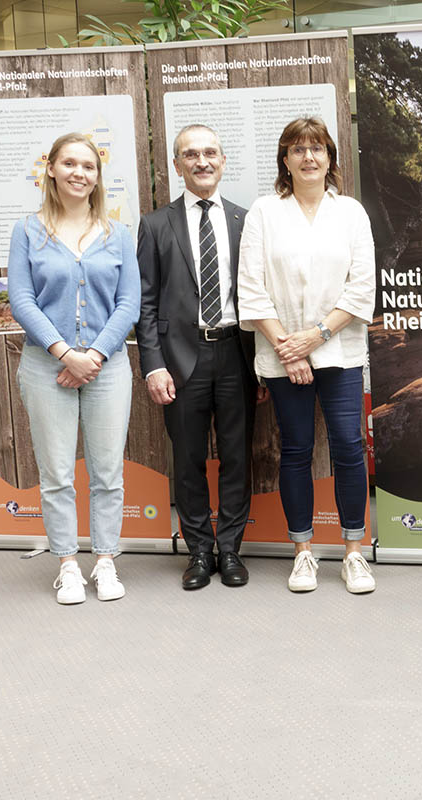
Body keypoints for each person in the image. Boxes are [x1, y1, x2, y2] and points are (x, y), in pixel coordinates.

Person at [237, 117, 376, 593]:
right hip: (282, 356)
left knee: (348, 446)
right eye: (298, 149)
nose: (309, 157)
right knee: (294, 450)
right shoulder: (263, 213)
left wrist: (313, 338)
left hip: (339, 350)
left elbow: (361, 290)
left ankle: (354, 552)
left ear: (331, 158)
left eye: (318, 148)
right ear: (285, 159)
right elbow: (251, 291)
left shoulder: (351, 213)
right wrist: (288, 349)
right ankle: (303, 552)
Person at [8, 132, 140, 605]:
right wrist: (66, 354)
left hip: (109, 366)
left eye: (89, 165)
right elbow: (21, 300)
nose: (79, 173)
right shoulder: (28, 230)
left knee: (107, 473)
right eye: (70, 164)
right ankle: (67, 564)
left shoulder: (117, 233)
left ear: (98, 175)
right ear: (51, 169)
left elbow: (129, 303)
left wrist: (95, 356)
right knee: (57, 473)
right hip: (46, 368)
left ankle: (105, 562)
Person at [136, 124, 260, 590]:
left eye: (210, 152)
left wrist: (262, 367)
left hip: (236, 354)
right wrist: (153, 364)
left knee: (236, 457)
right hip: (179, 361)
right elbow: (145, 304)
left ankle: (230, 550)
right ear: (177, 164)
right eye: (191, 154)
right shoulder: (154, 225)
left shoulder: (245, 221)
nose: (202, 161)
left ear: (222, 160)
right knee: (187, 461)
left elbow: (258, 294)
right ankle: (199, 554)